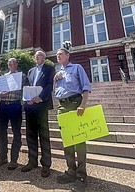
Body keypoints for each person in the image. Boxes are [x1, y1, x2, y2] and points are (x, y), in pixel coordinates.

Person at [54, 48, 91, 192]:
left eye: (60, 54)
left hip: (75, 104)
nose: (58, 57)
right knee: (67, 140)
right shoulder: (59, 72)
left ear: (68, 56)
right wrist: (54, 79)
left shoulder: (77, 67)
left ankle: (82, 174)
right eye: (57, 55)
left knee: (79, 140)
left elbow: (86, 87)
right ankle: (71, 170)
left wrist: (83, 105)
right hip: (62, 106)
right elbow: (56, 92)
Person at [21, 50, 55, 178]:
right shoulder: (30, 71)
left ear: (44, 58)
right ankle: (32, 161)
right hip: (30, 106)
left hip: (42, 104)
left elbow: (49, 85)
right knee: (31, 134)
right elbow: (27, 86)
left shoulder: (49, 68)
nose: (37, 57)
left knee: (44, 135)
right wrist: (27, 100)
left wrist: (39, 98)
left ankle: (46, 164)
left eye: (39, 55)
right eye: (36, 56)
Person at [0, 58, 24, 170]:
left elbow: (25, 91)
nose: (11, 64)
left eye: (13, 62)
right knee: (0, 132)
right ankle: (2, 157)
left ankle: (14, 160)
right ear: (8, 65)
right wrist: (0, 94)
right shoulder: (3, 77)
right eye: (9, 62)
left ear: (16, 64)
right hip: (3, 106)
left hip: (15, 105)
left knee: (16, 132)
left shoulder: (22, 76)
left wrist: (23, 105)